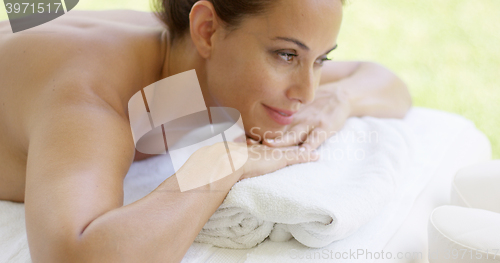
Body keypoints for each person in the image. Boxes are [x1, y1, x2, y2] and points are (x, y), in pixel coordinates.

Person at [0, 0, 411, 261]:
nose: (307, 92)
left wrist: (341, 102)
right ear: (207, 30)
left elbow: (381, 79)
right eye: (287, 55)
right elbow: (74, 255)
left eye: (320, 59)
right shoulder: (92, 97)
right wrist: (219, 164)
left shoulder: (185, 57)